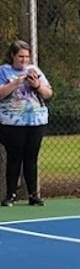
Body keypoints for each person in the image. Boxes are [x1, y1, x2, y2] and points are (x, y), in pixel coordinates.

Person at [0, 40, 53, 206]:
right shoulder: (3, 71)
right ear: (12, 56)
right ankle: (10, 195)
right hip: (12, 122)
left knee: (31, 157)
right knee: (15, 157)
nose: (24, 60)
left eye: (27, 57)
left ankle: (33, 194)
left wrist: (36, 84)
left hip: (35, 120)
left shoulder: (34, 70)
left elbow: (47, 93)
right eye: (20, 56)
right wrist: (16, 82)